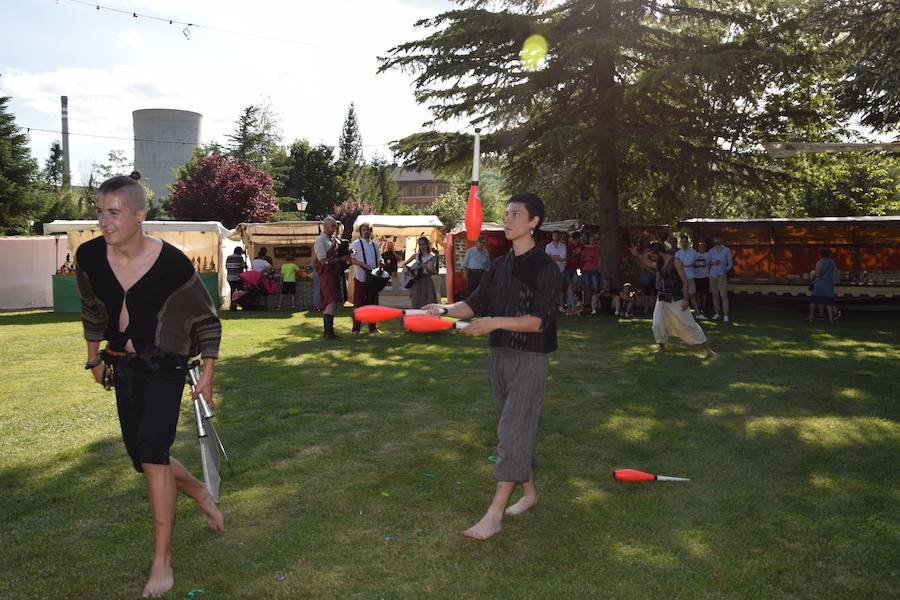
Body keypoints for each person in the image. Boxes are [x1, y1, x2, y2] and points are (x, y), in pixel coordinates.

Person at [75, 173, 224, 599]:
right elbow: (91, 309)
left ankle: (162, 563)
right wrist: (94, 357)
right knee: (140, 457)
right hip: (122, 363)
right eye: (100, 212)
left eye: (114, 213)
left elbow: (205, 319)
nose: (104, 222)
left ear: (140, 216)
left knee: (154, 456)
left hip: (165, 365)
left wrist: (208, 374)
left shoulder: (172, 264)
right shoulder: (89, 257)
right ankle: (196, 488)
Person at [422, 192, 559, 541]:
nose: (508, 220)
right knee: (512, 428)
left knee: (511, 433)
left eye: (516, 215)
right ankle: (528, 493)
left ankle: (494, 515)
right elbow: (474, 303)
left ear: (534, 222)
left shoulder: (545, 267)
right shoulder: (499, 265)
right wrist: (445, 310)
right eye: (507, 214)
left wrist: (495, 321)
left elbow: (538, 322)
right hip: (499, 358)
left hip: (530, 359)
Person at [630, 242, 717, 358]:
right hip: (662, 298)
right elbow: (649, 263)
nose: (653, 257)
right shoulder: (660, 263)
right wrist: (639, 255)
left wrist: (686, 300)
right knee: (657, 323)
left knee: (690, 324)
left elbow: (685, 282)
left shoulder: (676, 262)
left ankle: (709, 351)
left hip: (676, 298)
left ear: (660, 253)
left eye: (654, 255)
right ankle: (662, 347)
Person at [314, 217, 351, 340]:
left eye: (335, 226)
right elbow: (323, 261)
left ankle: (329, 332)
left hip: (334, 274)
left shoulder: (333, 240)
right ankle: (328, 333)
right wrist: (341, 259)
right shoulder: (320, 240)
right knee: (330, 301)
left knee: (333, 302)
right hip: (327, 275)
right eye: (332, 226)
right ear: (325, 226)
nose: (334, 229)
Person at [350, 222, 384, 334]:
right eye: (364, 230)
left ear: (371, 231)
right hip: (361, 277)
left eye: (368, 229)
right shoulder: (356, 244)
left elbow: (379, 258)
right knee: (359, 303)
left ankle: (373, 328)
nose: (366, 231)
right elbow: (351, 259)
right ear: (360, 232)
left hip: (373, 278)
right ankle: (356, 329)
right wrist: (362, 264)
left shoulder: (374, 245)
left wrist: (381, 263)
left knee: (373, 303)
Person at [403, 236, 438, 308]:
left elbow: (432, 271)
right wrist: (407, 270)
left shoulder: (431, 256)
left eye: (424, 244)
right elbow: (404, 264)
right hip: (416, 280)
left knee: (428, 299)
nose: (422, 246)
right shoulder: (416, 255)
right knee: (416, 299)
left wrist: (427, 268)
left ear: (427, 245)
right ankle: (416, 316)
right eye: (420, 244)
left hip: (426, 280)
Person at [707, 235, 733, 322]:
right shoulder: (711, 251)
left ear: (721, 240)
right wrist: (712, 263)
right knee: (715, 295)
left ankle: (725, 315)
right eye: (715, 239)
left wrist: (725, 270)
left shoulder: (726, 250)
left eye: (718, 238)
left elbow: (730, 263)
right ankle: (717, 313)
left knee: (724, 295)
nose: (717, 240)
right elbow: (707, 263)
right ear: (714, 240)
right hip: (712, 275)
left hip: (722, 275)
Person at [809, 248, 838, 323]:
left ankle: (811, 317)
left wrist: (812, 273)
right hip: (829, 284)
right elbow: (834, 275)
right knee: (829, 302)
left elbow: (817, 274)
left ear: (820, 254)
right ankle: (831, 319)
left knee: (814, 301)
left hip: (819, 284)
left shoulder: (819, 262)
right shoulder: (833, 263)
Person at [674, 235, 700, 316]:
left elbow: (690, 262)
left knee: (692, 296)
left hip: (689, 277)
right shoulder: (677, 253)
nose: (684, 243)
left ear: (688, 242)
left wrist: (681, 264)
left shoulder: (693, 252)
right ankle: (682, 313)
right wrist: (682, 264)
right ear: (680, 243)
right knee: (681, 297)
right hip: (680, 278)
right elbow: (675, 264)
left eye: (685, 242)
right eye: (682, 242)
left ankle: (698, 313)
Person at [544, 230, 566, 310]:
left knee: (560, 288)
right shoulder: (548, 246)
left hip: (561, 270)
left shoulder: (563, 246)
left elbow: (563, 257)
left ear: (559, 237)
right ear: (552, 236)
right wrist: (558, 257)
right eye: (554, 235)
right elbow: (547, 258)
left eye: (557, 235)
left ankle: (561, 305)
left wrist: (552, 257)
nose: (556, 237)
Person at [564, 231, 583, 310]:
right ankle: (569, 303)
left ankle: (577, 301)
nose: (579, 240)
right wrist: (575, 253)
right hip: (569, 268)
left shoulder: (581, 245)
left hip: (578, 268)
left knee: (577, 283)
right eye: (578, 238)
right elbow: (567, 258)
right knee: (569, 285)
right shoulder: (569, 246)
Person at [581, 234, 601, 303]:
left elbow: (600, 259)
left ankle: (594, 301)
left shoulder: (598, 248)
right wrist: (587, 259)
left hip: (595, 269)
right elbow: (582, 259)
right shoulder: (585, 248)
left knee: (595, 286)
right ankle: (588, 301)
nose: (592, 241)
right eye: (591, 240)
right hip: (586, 269)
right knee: (587, 286)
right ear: (589, 240)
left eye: (593, 240)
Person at [225, 247, 246, 311]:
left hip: (229, 277)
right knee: (240, 291)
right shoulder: (240, 258)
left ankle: (233, 306)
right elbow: (243, 266)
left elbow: (226, 266)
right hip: (237, 277)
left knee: (232, 291)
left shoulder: (229, 257)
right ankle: (243, 304)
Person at [693, 241, 710, 319]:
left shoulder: (708, 255)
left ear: (705, 248)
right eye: (700, 247)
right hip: (696, 277)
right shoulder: (695, 255)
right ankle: (698, 307)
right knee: (697, 293)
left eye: (703, 247)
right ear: (698, 248)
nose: (701, 248)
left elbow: (710, 264)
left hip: (705, 276)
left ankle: (704, 307)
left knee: (704, 293)